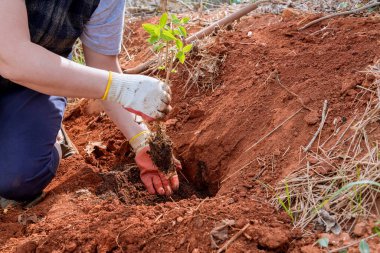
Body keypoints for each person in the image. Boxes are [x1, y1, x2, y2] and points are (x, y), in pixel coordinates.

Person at [0, 0, 180, 204]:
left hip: (35, 84)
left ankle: (48, 132)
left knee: (18, 176)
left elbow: (103, 66)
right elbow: (10, 57)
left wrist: (142, 139)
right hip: (13, 64)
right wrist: (121, 87)